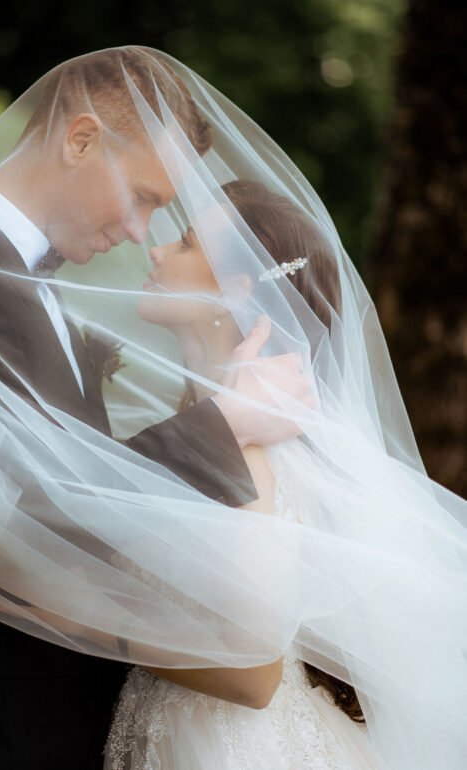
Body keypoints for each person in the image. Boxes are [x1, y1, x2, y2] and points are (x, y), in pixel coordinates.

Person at [0, 46, 466, 770]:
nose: (143, 235)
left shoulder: (32, 287)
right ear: (80, 140)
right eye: (143, 197)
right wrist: (217, 428)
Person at [104, 179, 382, 769]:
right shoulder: (207, 423)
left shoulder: (249, 443)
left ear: (234, 290)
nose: (154, 251)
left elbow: (253, 671)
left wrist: (82, 622)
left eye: (182, 244)